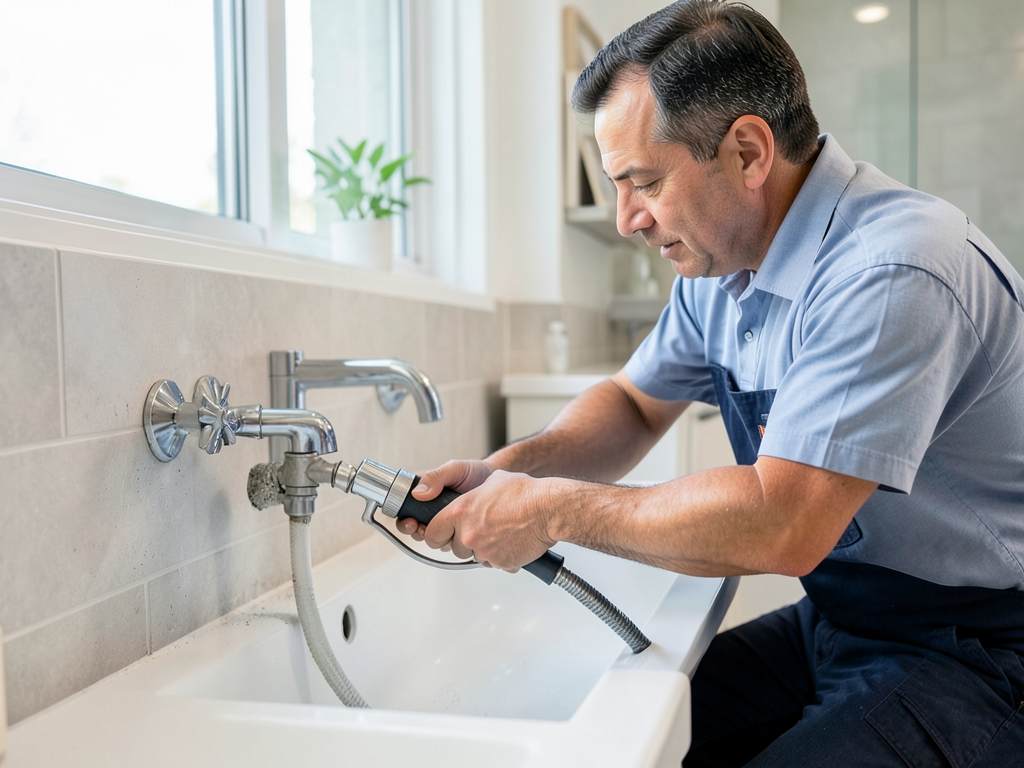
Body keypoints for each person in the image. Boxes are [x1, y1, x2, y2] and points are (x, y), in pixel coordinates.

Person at [398, 1, 1024, 765]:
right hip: (839, 621)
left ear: (749, 152)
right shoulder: (719, 267)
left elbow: (782, 524)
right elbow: (632, 404)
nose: (627, 217)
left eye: (644, 182)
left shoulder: (891, 270)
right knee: (636, 743)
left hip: (980, 650)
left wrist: (551, 511)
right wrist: (511, 471)